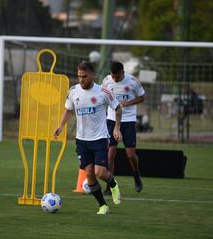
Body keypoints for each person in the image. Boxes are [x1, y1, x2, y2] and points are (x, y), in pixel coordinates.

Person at [54, 62, 122, 215]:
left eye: (84, 76)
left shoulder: (103, 92)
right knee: (89, 174)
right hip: (82, 140)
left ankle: (113, 184)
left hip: (99, 139)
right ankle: (103, 206)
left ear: (92, 75)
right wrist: (60, 126)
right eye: (79, 76)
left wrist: (117, 128)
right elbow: (68, 111)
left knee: (100, 172)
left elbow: (118, 108)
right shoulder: (73, 91)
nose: (81, 80)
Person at [102, 61, 145, 194]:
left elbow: (142, 97)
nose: (115, 79)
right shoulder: (106, 81)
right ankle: (110, 185)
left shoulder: (132, 81)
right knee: (110, 155)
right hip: (111, 120)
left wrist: (129, 102)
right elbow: (102, 97)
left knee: (130, 155)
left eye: (117, 76)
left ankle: (136, 174)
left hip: (128, 120)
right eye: (113, 76)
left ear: (123, 73)